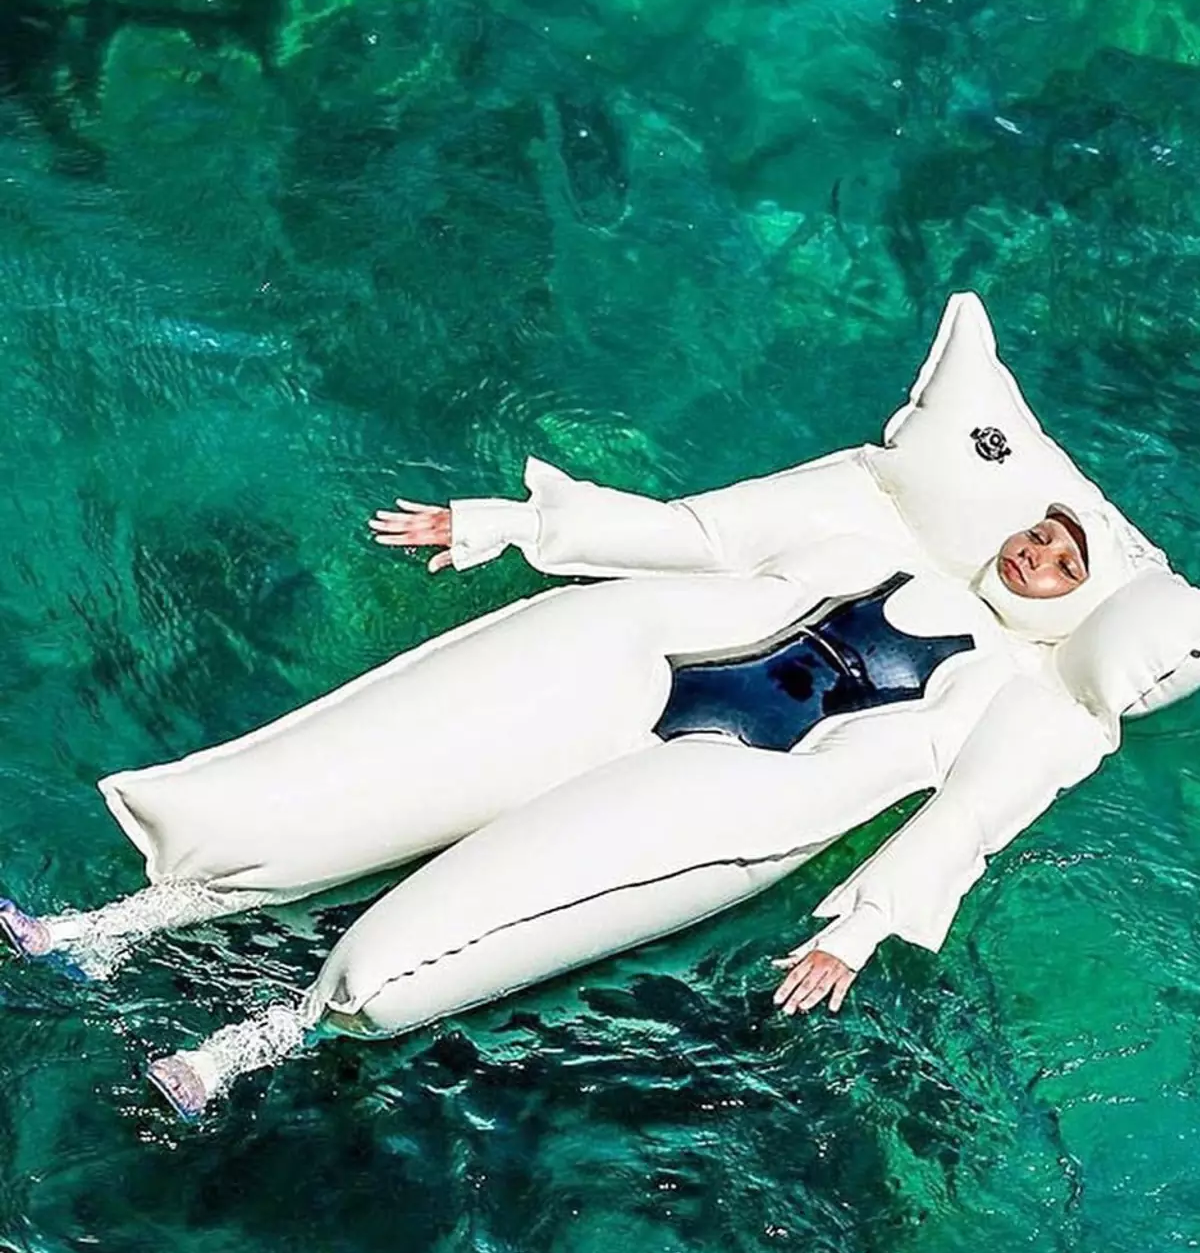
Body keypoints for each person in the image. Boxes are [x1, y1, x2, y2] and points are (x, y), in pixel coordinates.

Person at [0, 449, 1117, 1118]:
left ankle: (251, 1043)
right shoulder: (860, 534)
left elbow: (967, 819)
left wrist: (860, 932)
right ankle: (103, 928)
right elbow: (693, 534)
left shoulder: (1014, 695)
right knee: (344, 801)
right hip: (631, 681)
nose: (1037, 556)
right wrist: (508, 524)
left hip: (727, 783)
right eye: (1039, 534)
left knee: (453, 923)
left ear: (1076, 602)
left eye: (1065, 565)